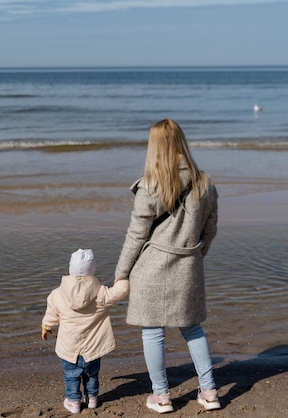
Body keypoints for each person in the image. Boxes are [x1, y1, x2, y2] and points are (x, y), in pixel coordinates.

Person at [114, 118, 220, 413]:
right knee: (193, 329)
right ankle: (210, 392)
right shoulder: (205, 183)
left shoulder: (151, 185)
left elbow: (136, 235)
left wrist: (122, 272)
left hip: (152, 266)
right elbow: (210, 230)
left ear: (155, 147)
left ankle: (161, 397)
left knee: (153, 333)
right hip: (188, 264)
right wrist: (196, 256)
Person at [41, 248, 129, 414]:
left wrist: (46, 326)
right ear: (93, 270)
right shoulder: (101, 293)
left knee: (71, 376)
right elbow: (120, 292)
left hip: (69, 347)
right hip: (93, 348)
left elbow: (51, 313)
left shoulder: (57, 294)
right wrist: (122, 279)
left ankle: (74, 401)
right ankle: (92, 399)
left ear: (70, 270)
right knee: (92, 375)